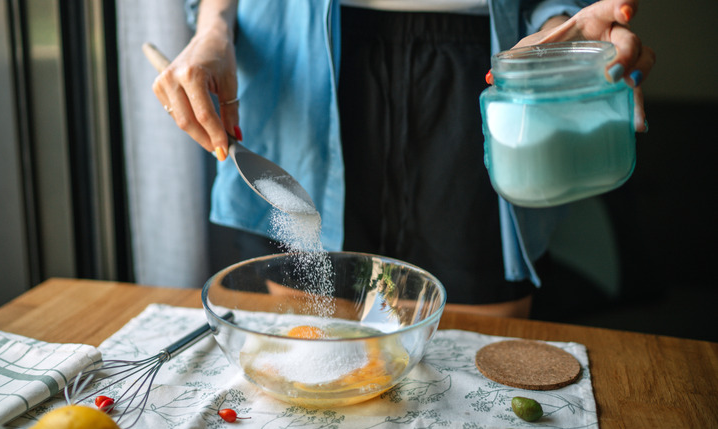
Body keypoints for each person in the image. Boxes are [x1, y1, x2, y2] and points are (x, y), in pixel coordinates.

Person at [152, 0, 655, 317]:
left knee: (475, 369)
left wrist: (558, 29)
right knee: (309, 359)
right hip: (298, 69)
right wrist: (214, 26)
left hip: (475, 71)